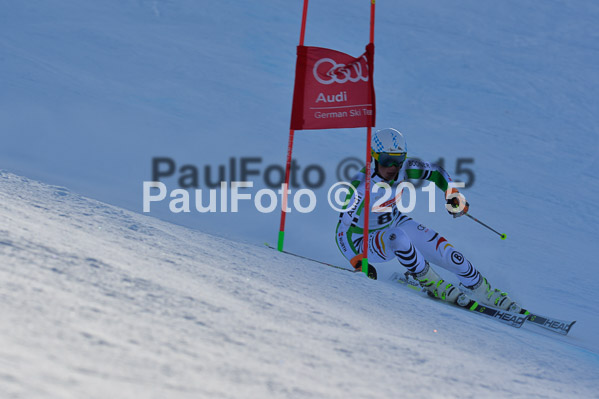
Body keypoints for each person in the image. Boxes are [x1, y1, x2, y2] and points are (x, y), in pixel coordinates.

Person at [335, 128, 522, 313]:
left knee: (445, 251)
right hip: (365, 242)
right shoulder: (360, 187)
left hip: (393, 221)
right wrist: (358, 263)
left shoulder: (405, 169)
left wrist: (452, 194)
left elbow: (436, 172)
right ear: (374, 157)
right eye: (386, 160)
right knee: (397, 236)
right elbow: (341, 232)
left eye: (399, 160)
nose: (393, 167)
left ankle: (483, 289)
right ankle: (431, 282)